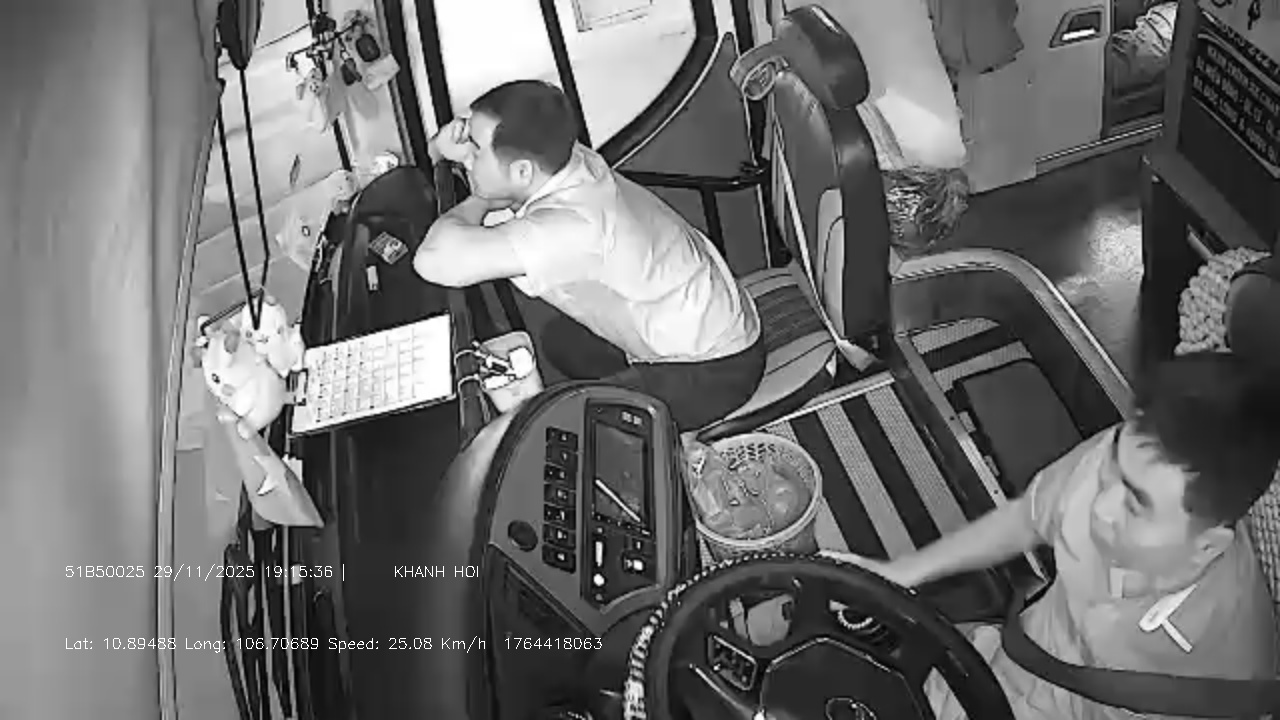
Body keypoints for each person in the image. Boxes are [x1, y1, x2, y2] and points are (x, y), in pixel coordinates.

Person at [824, 351, 1280, 720]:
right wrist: (902, 573)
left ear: (1206, 548)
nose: (1099, 504)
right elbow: (1028, 518)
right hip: (1012, 659)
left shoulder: (1226, 676)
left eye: (1136, 504)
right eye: (1113, 466)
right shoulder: (1127, 455)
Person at [413, 79, 764, 431]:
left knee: (569, 426)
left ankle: (672, 440)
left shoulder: (574, 227)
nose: (467, 157)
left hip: (716, 368)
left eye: (475, 150)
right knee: (560, 343)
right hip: (705, 315)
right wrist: (448, 152)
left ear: (522, 171)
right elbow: (497, 198)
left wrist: (480, 195)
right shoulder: (565, 160)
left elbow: (432, 260)